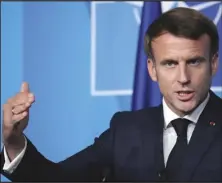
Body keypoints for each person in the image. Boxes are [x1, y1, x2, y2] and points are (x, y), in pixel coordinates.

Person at [1, 7, 222, 182]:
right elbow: (58, 179)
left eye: (194, 61)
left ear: (213, 64)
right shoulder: (125, 129)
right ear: (152, 69)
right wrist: (14, 142)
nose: (183, 77)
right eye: (170, 63)